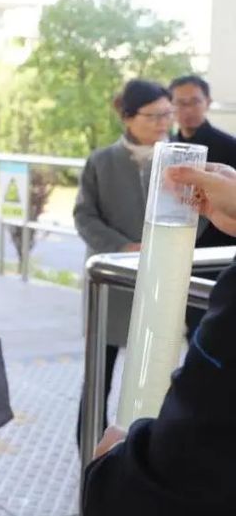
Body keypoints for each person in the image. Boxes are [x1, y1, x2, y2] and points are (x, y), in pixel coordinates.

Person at [82, 162, 236, 516]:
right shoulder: (104, 161)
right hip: (122, 297)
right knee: (99, 379)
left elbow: (183, 466)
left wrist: (116, 470)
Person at [73, 78, 173, 445]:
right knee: (98, 377)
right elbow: (84, 216)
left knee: (154, 379)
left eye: (167, 114)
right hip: (111, 285)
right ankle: (89, 452)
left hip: (161, 283)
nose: (163, 122)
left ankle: (145, 455)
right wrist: (123, 248)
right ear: (128, 117)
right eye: (153, 115)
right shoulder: (101, 161)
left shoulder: (180, 160)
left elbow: (200, 217)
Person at [169, 74, 236, 248]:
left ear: (208, 102)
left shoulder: (231, 145)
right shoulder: (168, 147)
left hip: (220, 245)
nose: (188, 110)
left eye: (195, 102)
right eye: (180, 103)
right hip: (174, 239)